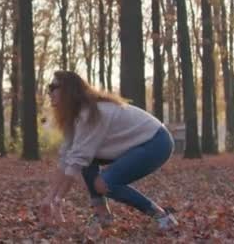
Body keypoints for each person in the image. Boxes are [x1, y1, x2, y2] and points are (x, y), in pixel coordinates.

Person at [38, 71, 178, 231]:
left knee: (105, 183)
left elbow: (76, 161)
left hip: (156, 141)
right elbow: (67, 159)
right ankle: (102, 215)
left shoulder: (92, 113)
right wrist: (50, 198)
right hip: (135, 144)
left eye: (53, 87)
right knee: (87, 162)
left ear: (68, 90)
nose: (49, 93)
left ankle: (162, 216)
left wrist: (58, 199)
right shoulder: (76, 117)